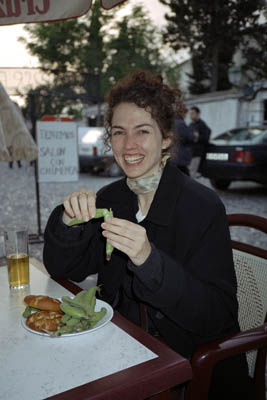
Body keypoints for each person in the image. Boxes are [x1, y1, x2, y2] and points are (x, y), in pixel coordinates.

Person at [43, 70, 251, 399]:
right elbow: (64, 270)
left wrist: (149, 260)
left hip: (189, 372)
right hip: (120, 354)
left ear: (166, 137)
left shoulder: (203, 207)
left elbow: (216, 316)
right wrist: (68, 224)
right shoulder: (111, 198)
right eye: (119, 133)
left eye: (143, 131)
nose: (129, 146)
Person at [174, 109, 198, 176]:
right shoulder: (181, 123)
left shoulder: (173, 122)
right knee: (185, 174)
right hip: (180, 153)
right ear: (182, 113)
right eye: (185, 114)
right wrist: (194, 135)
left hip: (175, 153)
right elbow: (187, 136)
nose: (186, 116)